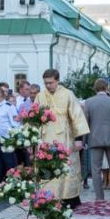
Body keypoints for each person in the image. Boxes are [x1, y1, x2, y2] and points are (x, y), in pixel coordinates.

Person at [36, 69, 90, 207]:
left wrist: (79, 138)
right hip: (45, 139)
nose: (48, 86)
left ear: (57, 80)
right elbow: (33, 118)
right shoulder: (40, 96)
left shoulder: (68, 94)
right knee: (47, 168)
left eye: (51, 83)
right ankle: (47, 199)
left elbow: (77, 117)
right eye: (46, 83)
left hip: (65, 139)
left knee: (66, 169)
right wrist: (31, 139)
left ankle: (68, 199)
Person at [83, 78, 110, 202]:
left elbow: (85, 124)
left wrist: (84, 141)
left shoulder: (88, 102)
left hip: (94, 139)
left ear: (95, 88)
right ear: (107, 88)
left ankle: (99, 197)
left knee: (96, 169)